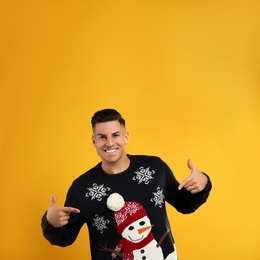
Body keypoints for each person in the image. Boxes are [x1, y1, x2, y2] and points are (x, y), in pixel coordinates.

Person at [41, 108, 212, 260]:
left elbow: (185, 204)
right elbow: (66, 237)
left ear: (125, 137)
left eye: (115, 135)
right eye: (102, 137)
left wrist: (203, 183)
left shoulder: (154, 168)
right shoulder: (82, 188)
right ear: (94, 141)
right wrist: (50, 224)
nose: (109, 143)